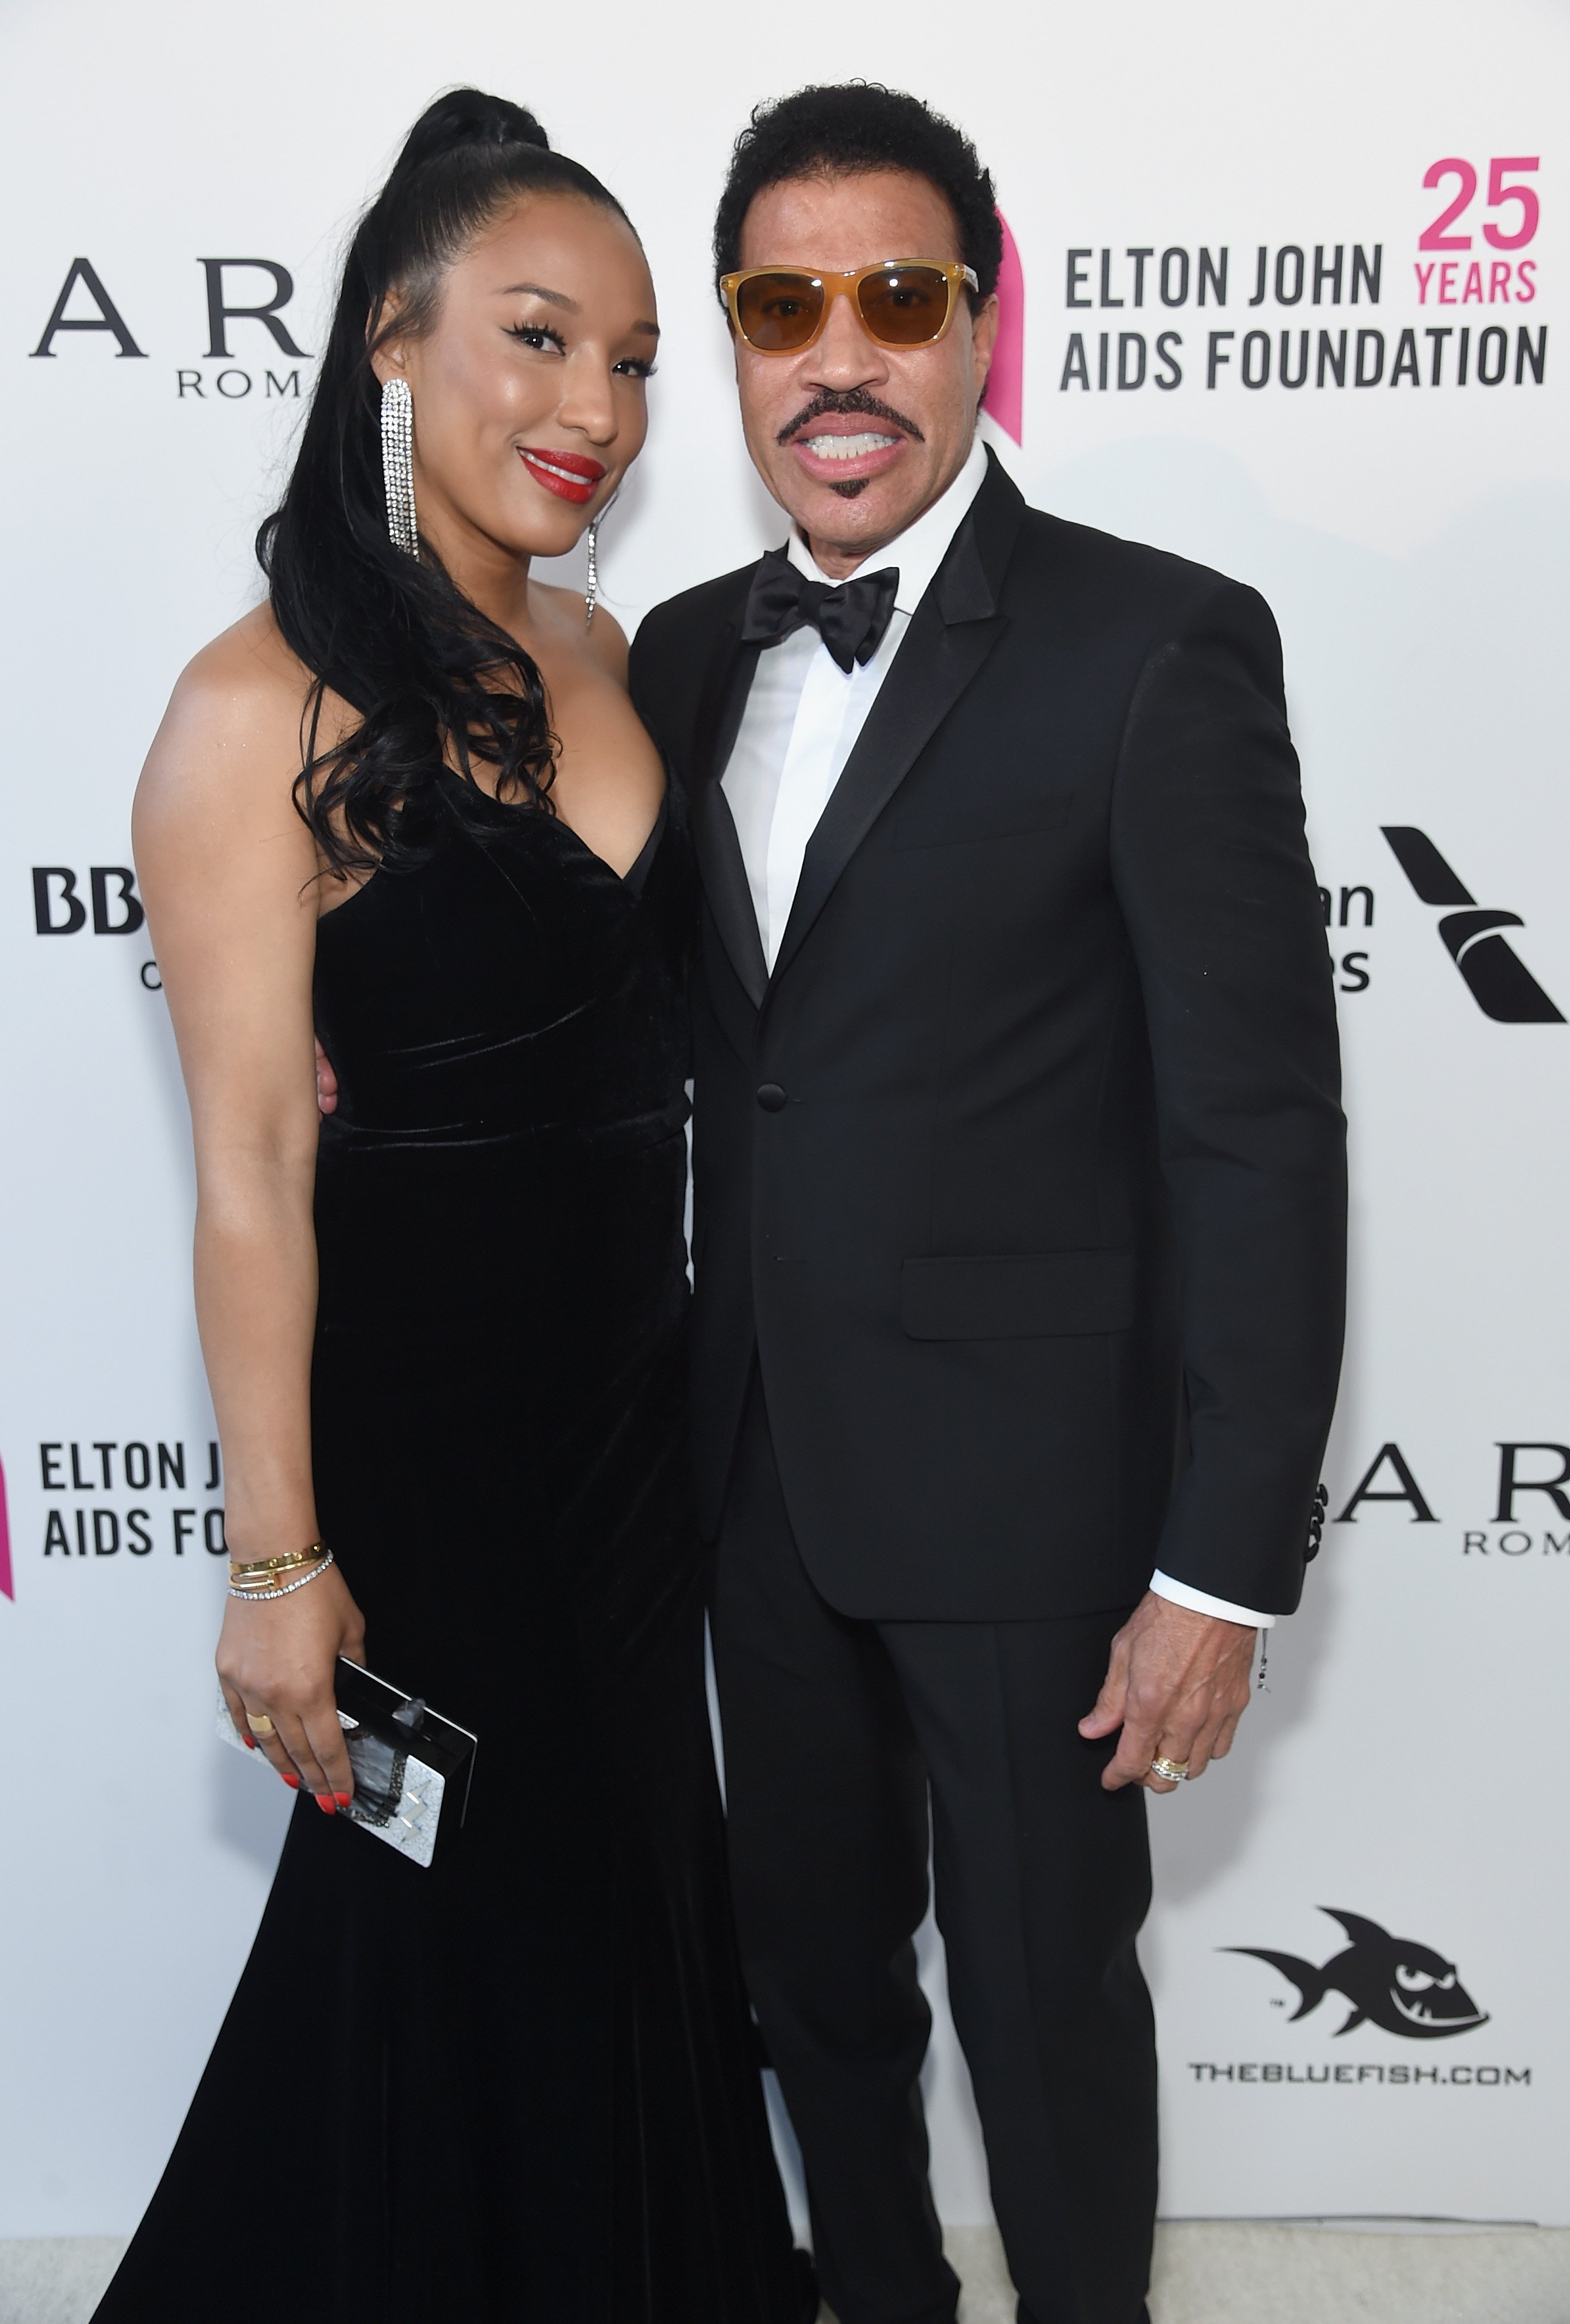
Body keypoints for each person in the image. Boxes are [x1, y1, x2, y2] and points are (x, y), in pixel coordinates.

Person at [628, 86, 1348, 2324]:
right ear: (739, 346)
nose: (838, 355)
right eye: (781, 303)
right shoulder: (669, 659)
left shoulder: (1159, 646)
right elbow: (687, 1041)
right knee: (811, 1981)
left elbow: (1260, 1128)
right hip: (754, 1472)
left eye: (896, 298)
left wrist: (1218, 1560)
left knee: (1047, 2009)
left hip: (1040, 1511)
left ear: (980, 327)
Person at [95, 91, 805, 2324]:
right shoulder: (246, 717)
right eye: (534, 339)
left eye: (629, 361)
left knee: (623, 1904)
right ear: (391, 343)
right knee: (436, 1929)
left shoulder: (606, 660)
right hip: (423, 1456)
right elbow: (248, 1169)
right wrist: (281, 1557)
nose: (592, 408)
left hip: (638, 1433)